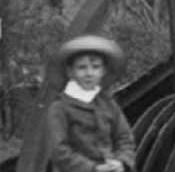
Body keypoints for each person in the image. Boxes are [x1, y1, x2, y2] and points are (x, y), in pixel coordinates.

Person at [45, 34, 135, 172]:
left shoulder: (109, 104)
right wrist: (93, 168)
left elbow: (125, 138)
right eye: (82, 67)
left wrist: (121, 162)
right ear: (70, 71)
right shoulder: (59, 108)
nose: (89, 73)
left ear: (103, 70)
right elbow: (59, 150)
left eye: (95, 67)